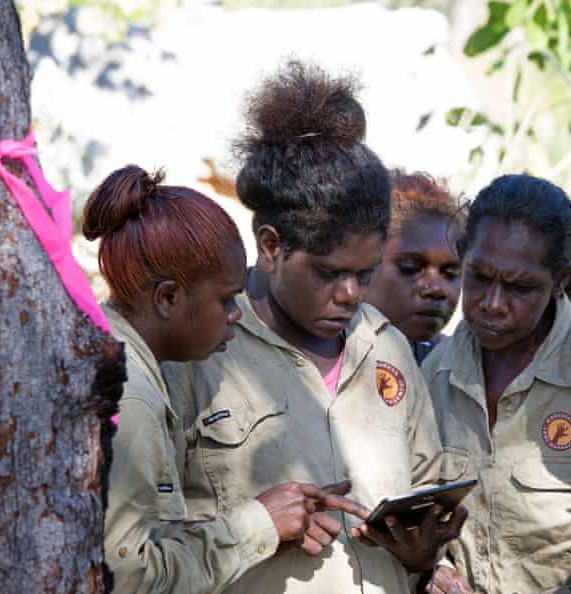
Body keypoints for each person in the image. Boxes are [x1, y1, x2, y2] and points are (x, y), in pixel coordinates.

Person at [163, 61, 465, 594]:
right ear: (272, 246)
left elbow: (426, 489)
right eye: (329, 273)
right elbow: (137, 551)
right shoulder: (194, 352)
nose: (351, 294)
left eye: (366, 274)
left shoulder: (387, 348)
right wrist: (256, 529)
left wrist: (426, 561)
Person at [87, 165, 364, 594]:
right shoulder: (132, 399)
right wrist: (258, 523)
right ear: (168, 298)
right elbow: (126, 579)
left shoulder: (110, 354)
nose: (236, 314)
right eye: (225, 299)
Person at [422, 174, 571, 594]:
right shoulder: (434, 374)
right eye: (478, 277)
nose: (492, 304)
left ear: (560, 280)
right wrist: (431, 569)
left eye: (519, 287)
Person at [365, 169, 464, 364]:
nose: (436, 289)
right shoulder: (323, 358)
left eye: (450, 273)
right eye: (410, 268)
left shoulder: (450, 367)